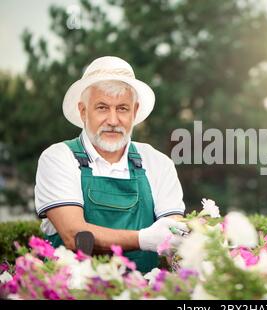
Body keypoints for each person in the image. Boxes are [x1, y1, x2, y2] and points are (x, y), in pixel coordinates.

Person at [34, 56, 188, 272]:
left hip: (143, 294)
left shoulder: (158, 163)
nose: (113, 120)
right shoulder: (59, 158)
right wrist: (144, 239)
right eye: (102, 108)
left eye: (123, 108)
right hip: (74, 292)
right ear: (83, 111)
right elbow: (76, 237)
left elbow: (172, 233)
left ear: (134, 111)